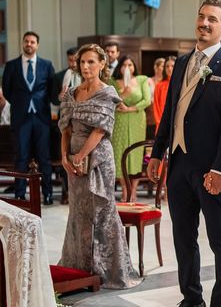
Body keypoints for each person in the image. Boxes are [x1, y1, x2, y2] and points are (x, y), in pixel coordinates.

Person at [148, 0, 221, 307]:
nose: (204, 23)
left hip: (212, 171)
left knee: (219, 240)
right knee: (182, 236)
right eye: (201, 16)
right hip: (179, 165)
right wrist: (158, 154)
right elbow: (170, 115)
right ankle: (192, 300)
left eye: (212, 19)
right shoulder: (181, 62)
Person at [58, 44, 142, 289]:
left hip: (98, 160)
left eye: (91, 62)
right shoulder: (71, 93)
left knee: (102, 212)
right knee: (78, 213)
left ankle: (108, 271)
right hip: (73, 159)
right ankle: (78, 269)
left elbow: (100, 130)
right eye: (82, 62)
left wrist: (81, 155)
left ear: (102, 64)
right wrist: (65, 157)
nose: (85, 67)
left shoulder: (107, 92)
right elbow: (65, 127)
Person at [2, 31, 56, 204]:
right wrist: (21, 103)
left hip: (41, 118)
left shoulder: (46, 65)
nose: (29, 44)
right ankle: (19, 194)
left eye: (32, 42)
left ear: (37, 45)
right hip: (21, 118)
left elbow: (51, 90)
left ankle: (47, 194)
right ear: (22, 43)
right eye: (26, 41)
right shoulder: (11, 66)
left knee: (44, 157)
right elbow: (8, 91)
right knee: (21, 157)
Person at [110, 55, 151, 202]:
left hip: (136, 119)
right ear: (119, 67)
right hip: (119, 120)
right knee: (120, 153)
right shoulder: (112, 82)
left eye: (130, 65)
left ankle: (133, 191)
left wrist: (131, 108)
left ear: (134, 67)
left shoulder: (142, 80)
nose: (127, 68)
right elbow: (111, 101)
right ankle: (124, 189)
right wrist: (123, 94)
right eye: (124, 65)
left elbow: (147, 100)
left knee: (135, 153)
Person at [51, 46, 81, 204]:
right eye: (70, 60)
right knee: (64, 157)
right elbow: (53, 100)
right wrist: (59, 96)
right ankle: (65, 192)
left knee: (80, 156)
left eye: (76, 59)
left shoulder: (86, 75)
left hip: (81, 123)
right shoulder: (59, 76)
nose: (73, 63)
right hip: (65, 122)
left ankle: (79, 192)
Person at [153, 55, 176, 134]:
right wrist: (161, 125)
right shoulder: (159, 85)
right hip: (162, 124)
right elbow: (156, 107)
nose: (169, 69)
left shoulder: (182, 85)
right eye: (167, 66)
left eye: (172, 66)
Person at [146, 57, 166, 132]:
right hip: (150, 115)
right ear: (155, 67)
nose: (165, 69)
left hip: (163, 114)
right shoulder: (148, 81)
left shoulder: (168, 82)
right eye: (162, 66)